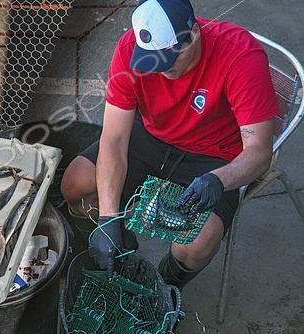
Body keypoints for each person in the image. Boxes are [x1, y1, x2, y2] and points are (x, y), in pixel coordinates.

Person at [61, 0, 277, 291]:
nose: (161, 69)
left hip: (212, 156)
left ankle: (163, 287)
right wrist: (107, 218)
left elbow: (260, 152)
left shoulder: (241, 56)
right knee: (75, 183)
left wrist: (219, 179)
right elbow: (113, 138)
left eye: (169, 57)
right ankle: (116, 250)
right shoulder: (130, 50)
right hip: (150, 135)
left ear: (194, 34)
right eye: (151, 59)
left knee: (195, 245)